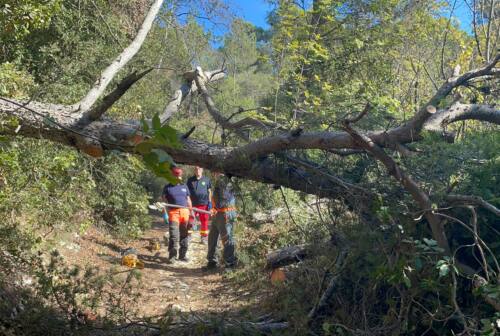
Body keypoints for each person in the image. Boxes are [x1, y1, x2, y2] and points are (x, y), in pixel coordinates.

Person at [205, 171, 238, 270]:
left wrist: (216, 208)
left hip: (225, 214)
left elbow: (224, 199)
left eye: (215, 172)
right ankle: (212, 261)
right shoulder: (219, 181)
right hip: (218, 214)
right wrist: (214, 208)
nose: (214, 174)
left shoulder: (225, 182)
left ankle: (230, 263)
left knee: (227, 238)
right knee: (212, 237)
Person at [162, 166, 192, 264]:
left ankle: (182, 255)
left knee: (184, 235)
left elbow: (188, 200)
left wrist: (192, 213)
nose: (179, 177)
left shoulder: (184, 186)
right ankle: (172, 256)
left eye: (180, 175)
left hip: (185, 212)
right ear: (173, 175)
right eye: (177, 175)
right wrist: (164, 213)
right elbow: (163, 202)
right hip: (173, 213)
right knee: (174, 235)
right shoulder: (167, 187)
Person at [187, 166, 212, 244]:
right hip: (193, 204)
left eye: (199, 169)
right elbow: (187, 192)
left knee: (204, 221)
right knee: (190, 220)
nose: (198, 170)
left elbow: (210, 191)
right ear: (194, 170)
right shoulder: (190, 180)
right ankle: (188, 236)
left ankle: (204, 237)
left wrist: (210, 203)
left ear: (202, 170)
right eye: (196, 169)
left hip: (204, 204)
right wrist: (188, 202)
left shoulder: (207, 180)